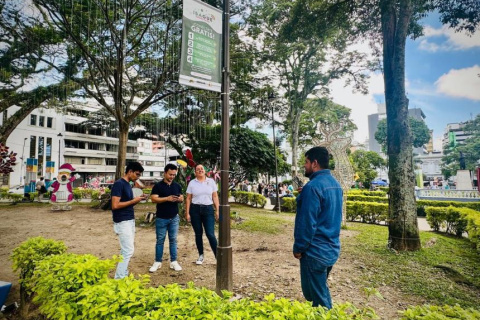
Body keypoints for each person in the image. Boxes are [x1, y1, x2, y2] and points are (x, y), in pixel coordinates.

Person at [293, 146, 343, 309]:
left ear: (314, 163)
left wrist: (299, 247)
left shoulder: (313, 187)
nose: (304, 166)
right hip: (331, 249)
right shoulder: (335, 184)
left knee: (319, 299)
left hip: (315, 251)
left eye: (306, 162)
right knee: (314, 292)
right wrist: (305, 195)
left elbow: (307, 222)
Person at [111, 161, 146, 279]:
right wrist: (134, 201)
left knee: (126, 250)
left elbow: (128, 203)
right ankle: (119, 277)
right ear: (130, 171)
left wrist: (138, 199)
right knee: (128, 250)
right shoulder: (119, 184)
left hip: (129, 220)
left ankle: (123, 273)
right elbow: (115, 205)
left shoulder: (128, 184)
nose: (138, 177)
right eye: (137, 174)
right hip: (122, 221)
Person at [149, 164, 183, 273]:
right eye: (170, 174)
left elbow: (182, 197)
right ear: (165, 173)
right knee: (160, 240)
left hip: (174, 218)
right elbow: (154, 199)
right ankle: (157, 261)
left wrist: (179, 199)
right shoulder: (158, 186)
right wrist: (167, 199)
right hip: (161, 218)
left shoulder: (177, 186)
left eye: (174, 175)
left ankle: (174, 261)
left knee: (173, 240)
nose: (172, 176)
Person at [185, 164, 219, 265]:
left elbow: (215, 196)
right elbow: (188, 198)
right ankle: (201, 255)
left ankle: (218, 257)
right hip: (195, 210)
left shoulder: (211, 181)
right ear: (195, 172)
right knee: (198, 234)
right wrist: (187, 213)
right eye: (198, 169)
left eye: (202, 169)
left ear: (205, 171)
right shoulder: (192, 183)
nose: (200, 170)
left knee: (210, 234)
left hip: (208, 209)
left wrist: (218, 210)